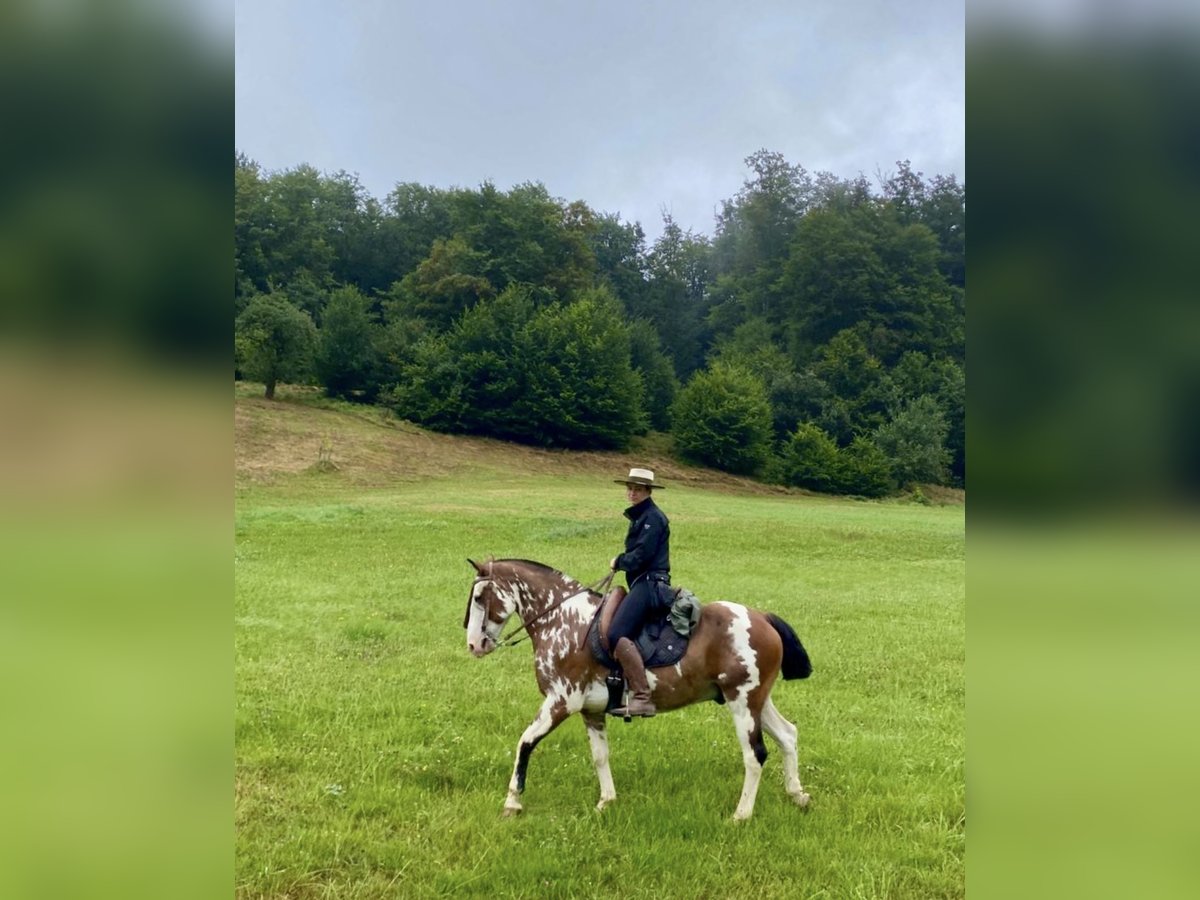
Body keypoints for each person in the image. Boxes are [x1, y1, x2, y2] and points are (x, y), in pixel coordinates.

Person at [607, 467, 670, 717]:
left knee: (616, 633)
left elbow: (641, 556)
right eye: (630, 488)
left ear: (648, 491)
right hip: (643, 582)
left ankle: (642, 696)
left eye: (638, 489)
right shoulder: (642, 516)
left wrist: (619, 561)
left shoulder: (653, 518)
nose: (632, 493)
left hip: (650, 584)